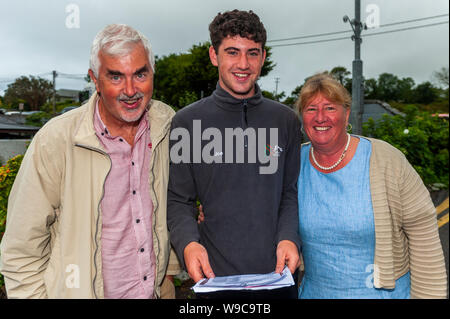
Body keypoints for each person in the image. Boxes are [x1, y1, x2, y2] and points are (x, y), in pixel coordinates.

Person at [0, 24, 180, 299]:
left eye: (140, 74)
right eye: (116, 77)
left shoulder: (167, 125)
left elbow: (175, 204)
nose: (130, 90)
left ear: (152, 73)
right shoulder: (56, 140)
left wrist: (170, 269)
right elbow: (20, 249)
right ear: (94, 79)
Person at [167, 9, 302, 299]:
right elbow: (178, 199)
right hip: (215, 281)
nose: (243, 64)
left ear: (263, 57)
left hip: (278, 278)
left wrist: (289, 238)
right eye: (232, 52)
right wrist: (189, 244)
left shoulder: (286, 120)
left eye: (252, 53)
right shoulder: (186, 122)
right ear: (214, 56)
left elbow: (290, 193)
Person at [295, 73, 447, 299]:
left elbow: (423, 232)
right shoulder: (294, 164)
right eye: (310, 109)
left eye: (329, 108)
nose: (320, 117)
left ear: (346, 114)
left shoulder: (386, 159)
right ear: (302, 118)